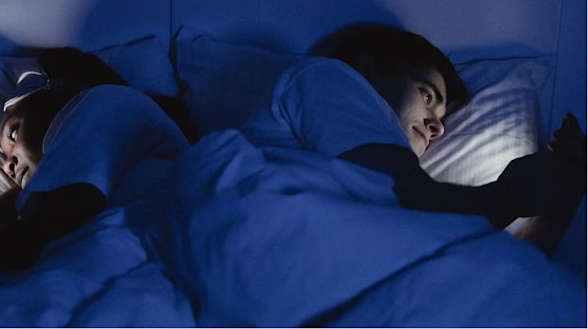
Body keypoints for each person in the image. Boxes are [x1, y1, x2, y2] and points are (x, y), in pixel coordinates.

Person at [242, 24, 585, 250]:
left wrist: (566, 190)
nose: (438, 128)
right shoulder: (326, 79)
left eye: (441, 118)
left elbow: (500, 273)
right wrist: (515, 193)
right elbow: (408, 199)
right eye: (426, 95)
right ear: (366, 67)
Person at [0, 47, 195, 299]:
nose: (9, 165)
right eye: (6, 160)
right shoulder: (83, 166)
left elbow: (35, 239)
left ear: (60, 93)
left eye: (13, 132)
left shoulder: (102, 102)